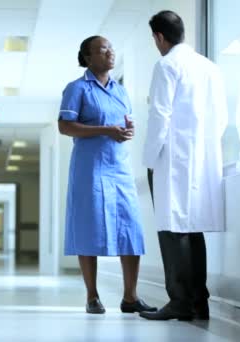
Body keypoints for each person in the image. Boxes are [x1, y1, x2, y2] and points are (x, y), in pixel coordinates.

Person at [58, 35, 156, 315]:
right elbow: (65, 126)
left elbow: (122, 124)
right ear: (88, 58)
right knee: (89, 228)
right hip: (89, 169)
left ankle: (130, 297)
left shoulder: (120, 91)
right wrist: (105, 130)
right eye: (103, 50)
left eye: (112, 49)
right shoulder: (77, 88)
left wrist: (126, 131)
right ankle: (92, 296)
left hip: (119, 168)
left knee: (131, 228)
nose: (110, 53)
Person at [139, 10, 228, 321]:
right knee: (192, 230)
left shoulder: (166, 65)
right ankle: (198, 302)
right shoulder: (209, 67)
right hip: (202, 159)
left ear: (160, 37)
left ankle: (179, 301)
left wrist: (149, 160)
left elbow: (159, 115)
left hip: (172, 160)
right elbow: (222, 117)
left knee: (172, 231)